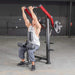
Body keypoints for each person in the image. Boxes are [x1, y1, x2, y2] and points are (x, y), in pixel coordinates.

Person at [17, 6, 41, 71]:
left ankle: (33, 65)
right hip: (29, 43)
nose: (33, 21)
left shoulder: (38, 28)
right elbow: (25, 19)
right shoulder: (29, 26)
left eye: (34, 20)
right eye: (32, 20)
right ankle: (23, 61)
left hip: (36, 45)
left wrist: (31, 10)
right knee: (21, 49)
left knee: (30, 51)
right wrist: (23, 10)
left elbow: (35, 18)